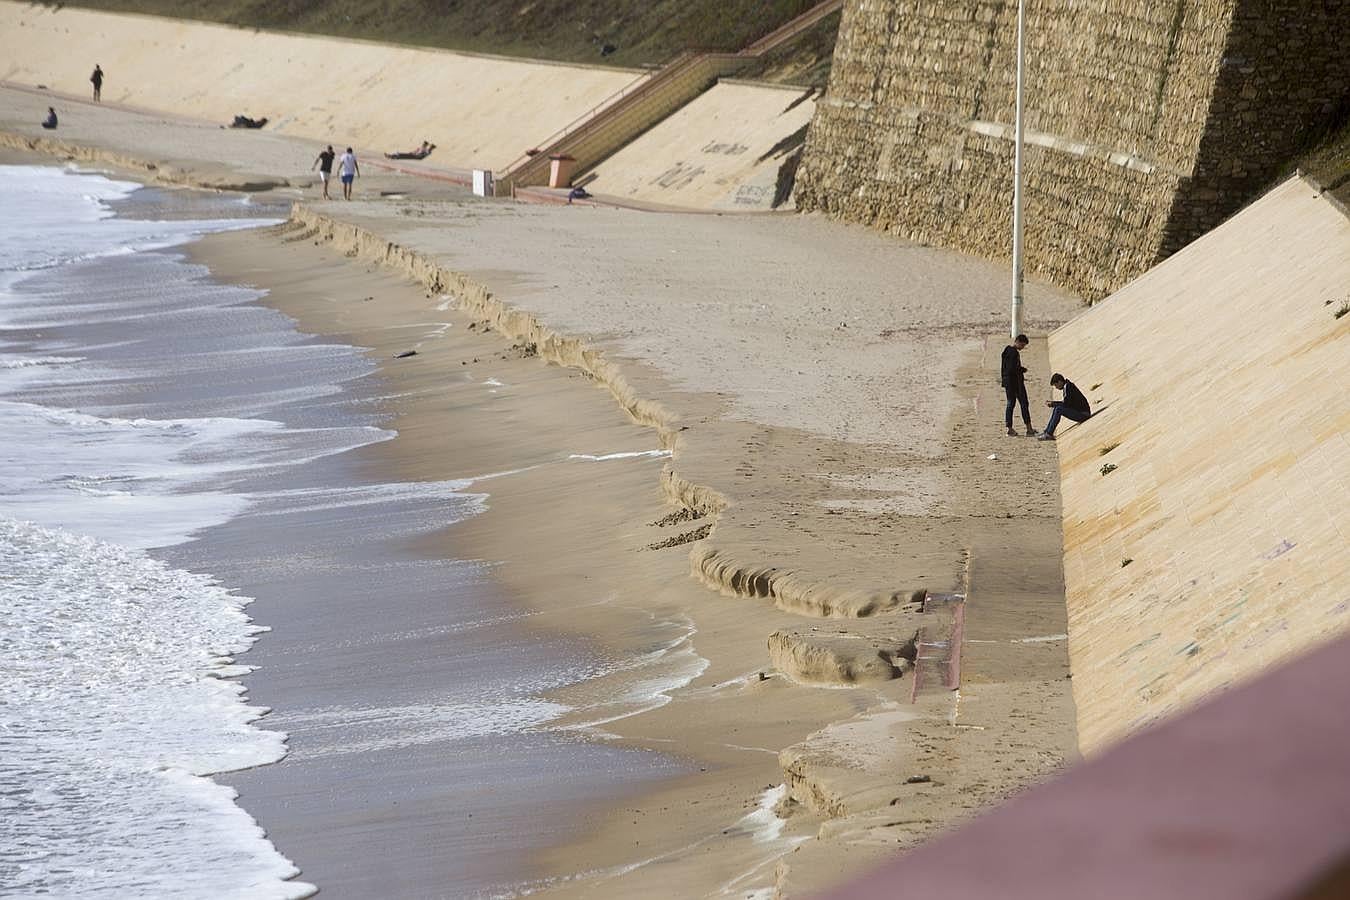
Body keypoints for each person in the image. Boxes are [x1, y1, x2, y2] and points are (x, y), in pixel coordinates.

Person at [1038, 373, 1092, 440]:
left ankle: (1049, 434)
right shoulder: (1067, 386)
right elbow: (1066, 403)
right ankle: (1047, 432)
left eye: (1056, 385)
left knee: (1058, 409)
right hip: (1080, 412)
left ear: (1060, 382)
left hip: (1083, 414)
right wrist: (1053, 403)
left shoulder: (1068, 387)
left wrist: (1053, 404)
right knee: (1057, 408)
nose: (1056, 388)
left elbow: (1066, 404)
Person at [1001, 333, 1035, 437]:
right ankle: (1029, 429)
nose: (1022, 348)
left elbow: (1005, 368)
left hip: (1007, 382)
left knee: (1010, 404)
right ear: (1018, 342)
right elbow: (1012, 369)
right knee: (1024, 403)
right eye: (1023, 345)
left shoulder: (1006, 350)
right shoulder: (1014, 353)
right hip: (1016, 383)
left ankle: (1009, 428)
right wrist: (1022, 369)